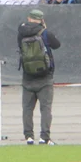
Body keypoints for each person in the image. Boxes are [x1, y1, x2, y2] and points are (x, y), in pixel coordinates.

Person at [17, 9, 60, 145]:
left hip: (27, 76)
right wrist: (44, 29)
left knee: (27, 108)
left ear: (29, 18)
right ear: (41, 20)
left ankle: (29, 136)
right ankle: (44, 137)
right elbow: (57, 45)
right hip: (45, 76)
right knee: (45, 108)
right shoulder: (45, 33)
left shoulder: (21, 33)